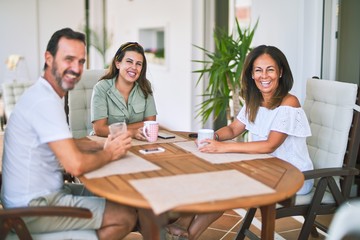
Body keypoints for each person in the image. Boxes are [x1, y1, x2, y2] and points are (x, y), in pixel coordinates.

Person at [0, 28, 137, 240]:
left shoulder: (44, 93)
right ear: (49, 58)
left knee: (122, 198)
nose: (76, 68)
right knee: (125, 215)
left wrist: (99, 146)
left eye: (81, 61)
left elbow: (57, 144)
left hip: (42, 194)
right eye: (69, 59)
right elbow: (76, 166)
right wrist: (110, 152)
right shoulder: (45, 102)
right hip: (32, 207)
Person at [166, 45, 314, 239]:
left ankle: (185, 232)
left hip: (292, 176)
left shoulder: (289, 103)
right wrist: (214, 137)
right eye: (258, 70)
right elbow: (234, 129)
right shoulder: (254, 100)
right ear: (251, 74)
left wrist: (223, 148)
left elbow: (270, 145)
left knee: (225, 185)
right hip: (266, 168)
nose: (264, 76)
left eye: (270, 69)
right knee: (212, 175)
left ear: (280, 72)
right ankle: (184, 228)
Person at [91, 42, 157, 140]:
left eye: (138, 64)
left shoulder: (145, 87)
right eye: (129, 61)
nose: (134, 67)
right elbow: (99, 129)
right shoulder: (101, 88)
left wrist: (113, 129)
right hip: (105, 142)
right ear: (118, 64)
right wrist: (130, 132)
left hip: (137, 142)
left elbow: (150, 124)